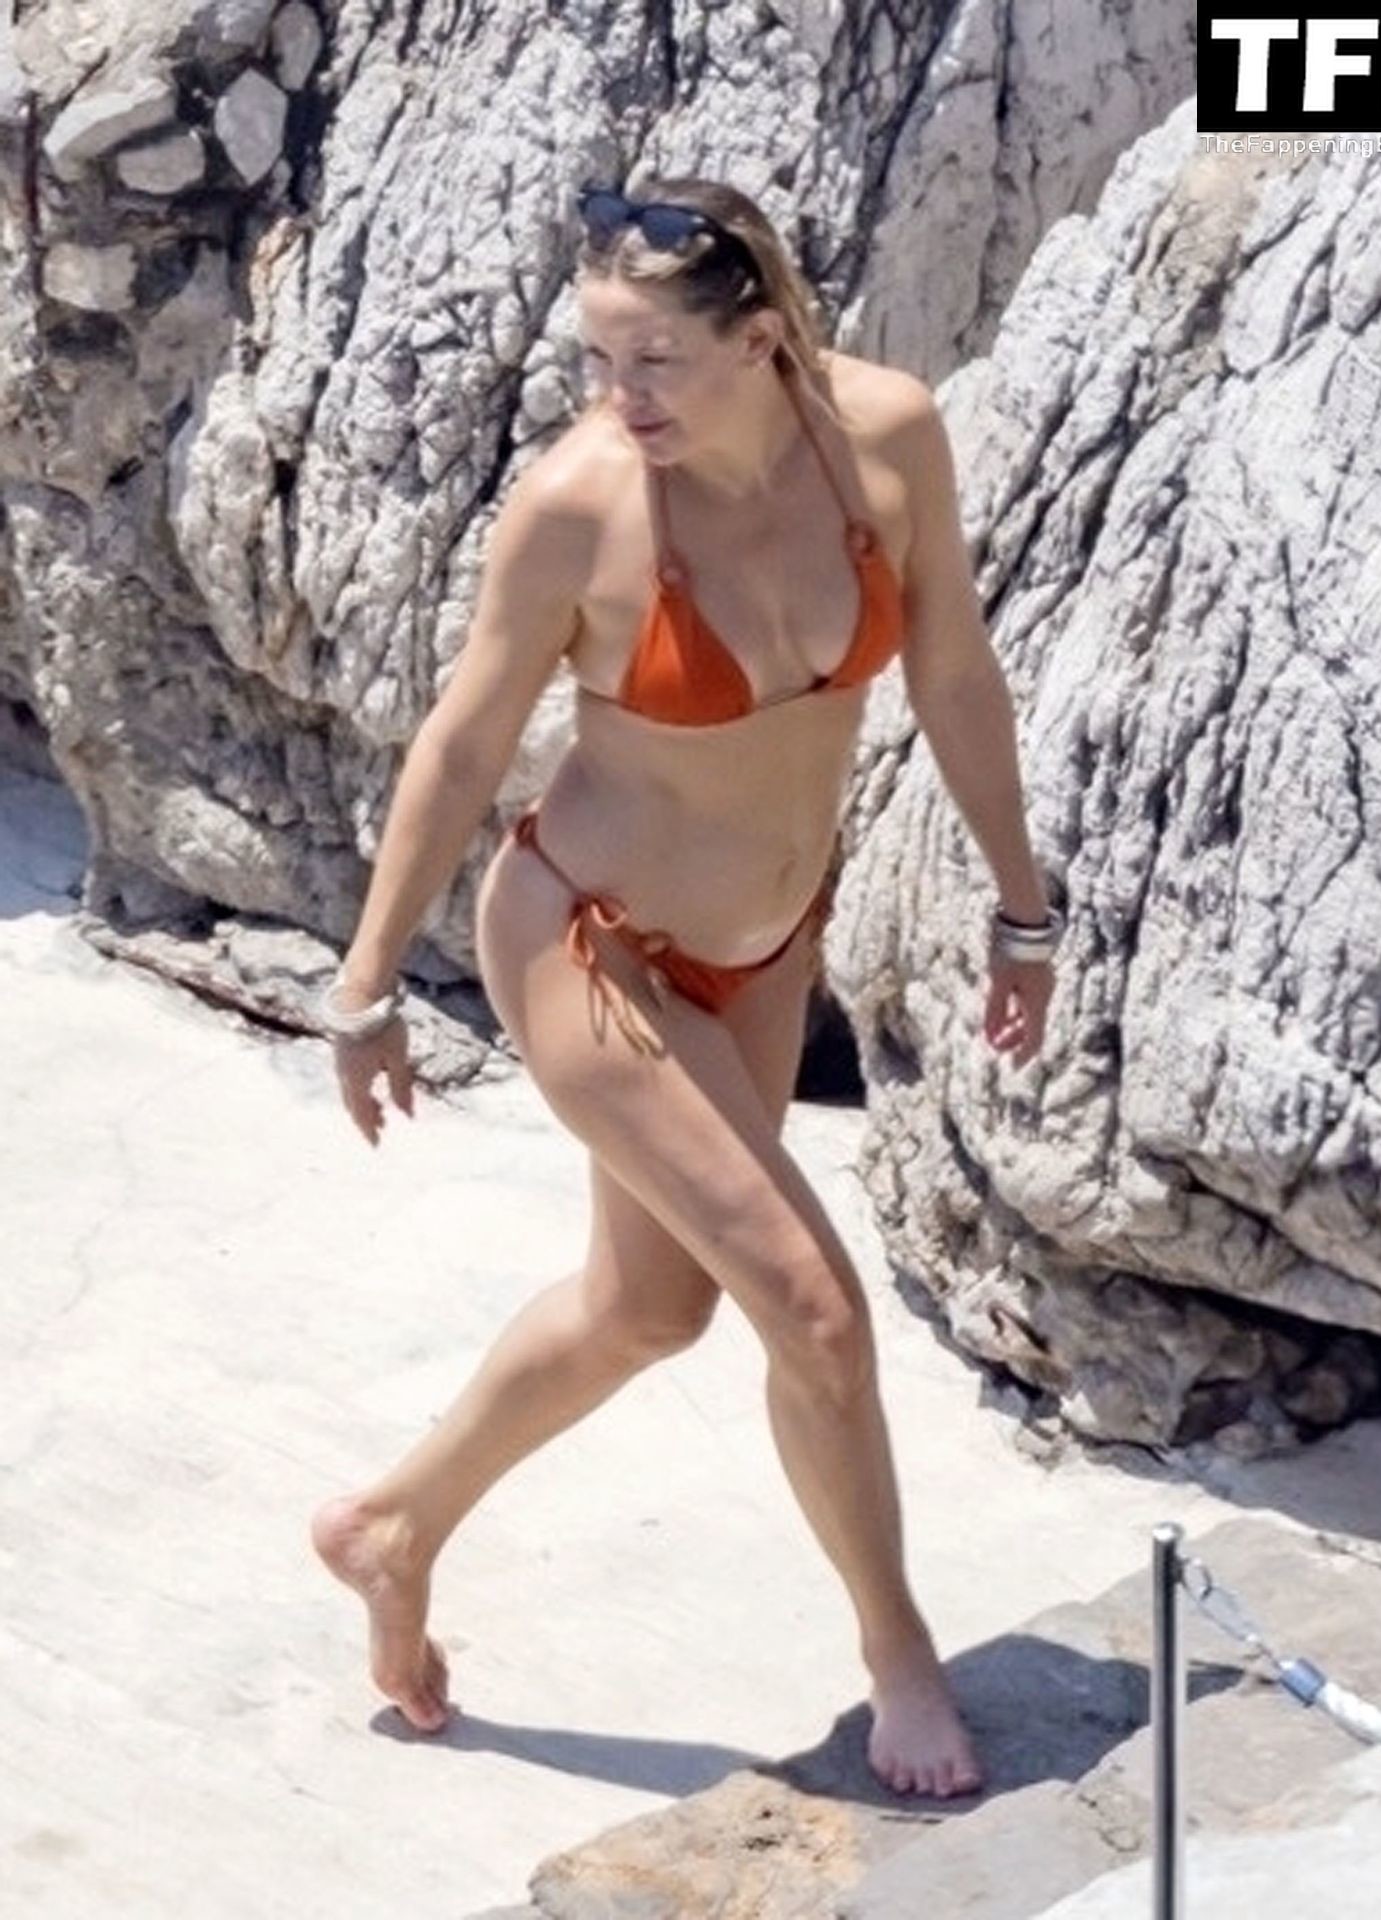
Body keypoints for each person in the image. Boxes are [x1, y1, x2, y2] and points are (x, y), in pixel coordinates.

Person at [310, 177, 1063, 1801]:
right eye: (596, 358)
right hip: (590, 945)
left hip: (765, 951)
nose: (617, 396)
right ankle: (899, 1656)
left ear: (760, 339)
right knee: (812, 1307)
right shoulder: (578, 509)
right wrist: (365, 986)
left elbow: (953, 673)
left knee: (646, 1309)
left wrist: (1022, 913)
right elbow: (460, 746)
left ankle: (390, 1526)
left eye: (650, 359)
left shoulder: (883, 437)